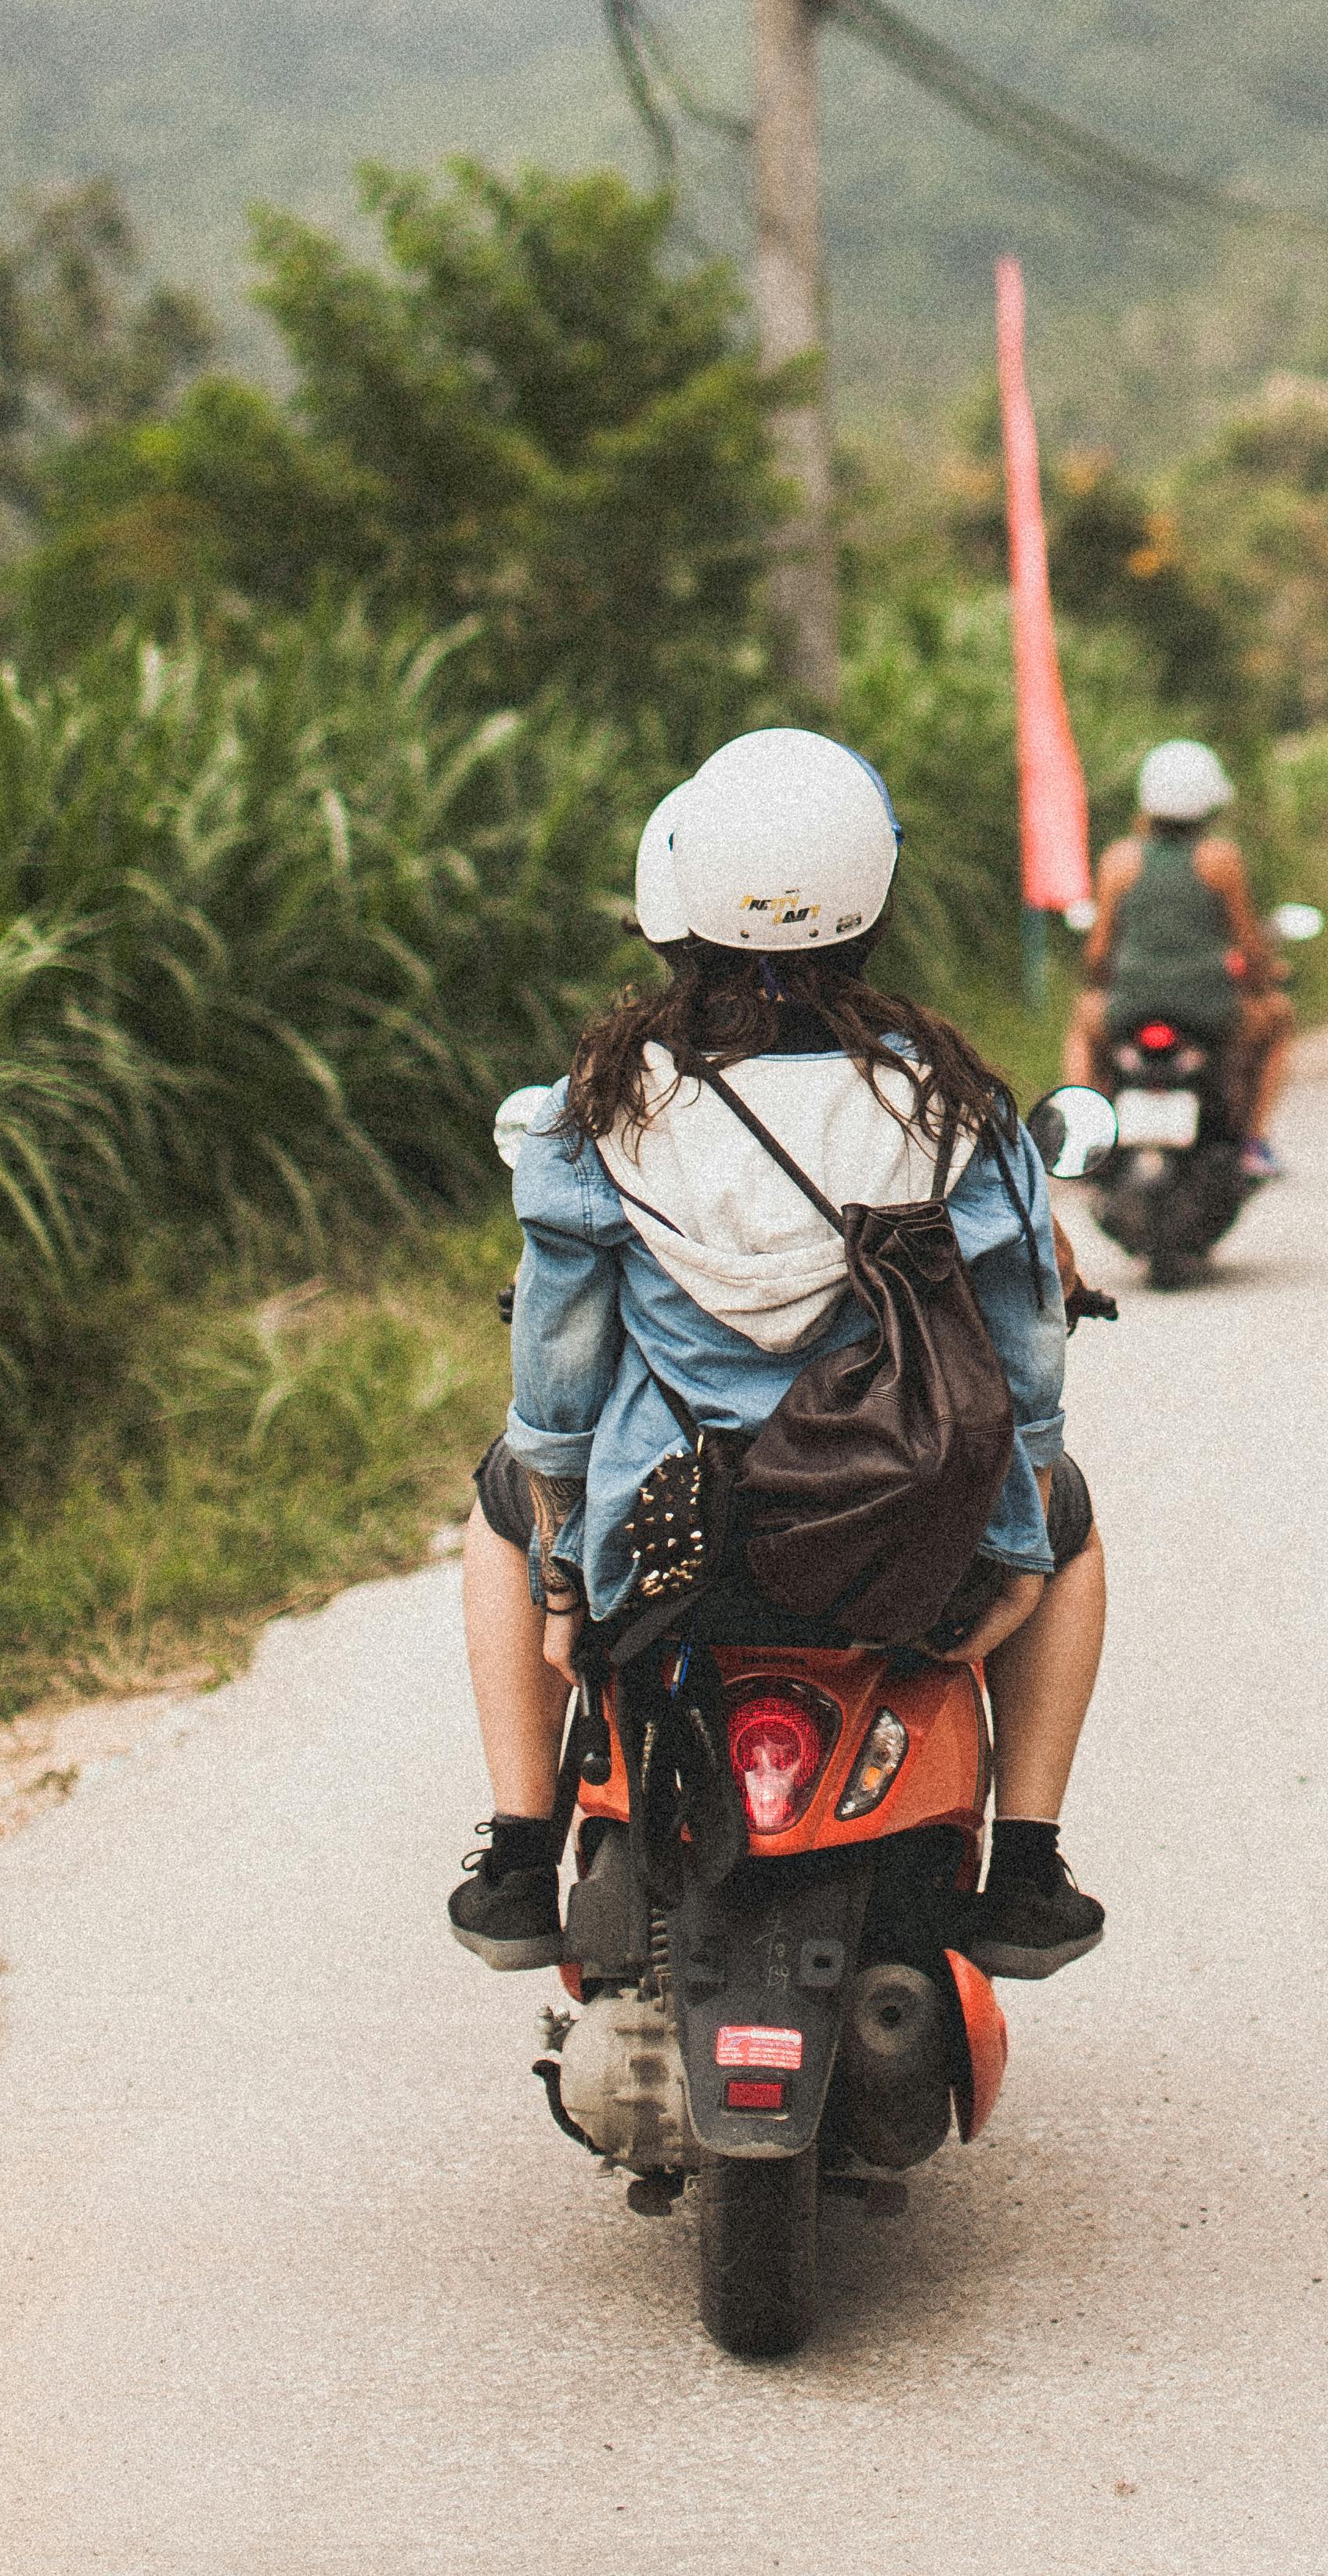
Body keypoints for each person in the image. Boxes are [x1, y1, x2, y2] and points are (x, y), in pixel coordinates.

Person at [449, 729, 1108, 1984]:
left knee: (499, 1493)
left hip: (664, 1548)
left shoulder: (606, 1107)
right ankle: (1025, 1864)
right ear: (875, 898)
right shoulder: (949, 1104)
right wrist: (1012, 1552)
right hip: (903, 1540)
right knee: (1068, 1515)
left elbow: (561, 1382)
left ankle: (521, 1855)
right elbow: (1024, 1367)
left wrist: (562, 1573)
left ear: (681, 901)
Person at [1062, 738, 1292, 1172]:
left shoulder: (1119, 861)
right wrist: (1263, 979)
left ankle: (1079, 1135)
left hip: (1128, 1010)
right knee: (1278, 1018)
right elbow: (1248, 945)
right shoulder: (1220, 860)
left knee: (1082, 1021)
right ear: (1210, 804)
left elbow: (1097, 958)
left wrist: (1103, 982)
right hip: (1209, 1013)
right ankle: (1254, 1143)